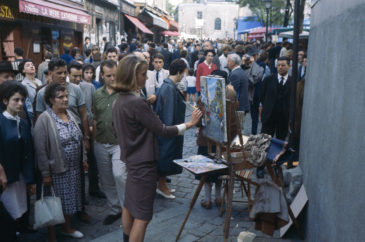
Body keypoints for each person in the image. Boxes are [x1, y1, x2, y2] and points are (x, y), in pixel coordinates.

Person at [111, 55, 202, 242]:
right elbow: (162, 130)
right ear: (132, 76)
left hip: (132, 160)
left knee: (130, 204)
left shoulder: (120, 100)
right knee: (143, 216)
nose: (146, 78)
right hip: (143, 163)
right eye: (143, 74)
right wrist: (189, 124)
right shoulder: (136, 102)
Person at [34, 82, 87, 241]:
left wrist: (83, 158)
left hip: (73, 169)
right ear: (51, 99)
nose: (65, 100)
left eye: (66, 96)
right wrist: (45, 174)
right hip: (56, 170)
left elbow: (79, 138)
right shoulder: (45, 118)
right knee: (54, 202)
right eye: (60, 97)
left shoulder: (69, 114)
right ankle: (52, 236)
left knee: (69, 200)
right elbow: (41, 149)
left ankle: (67, 227)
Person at [93, 60, 127, 225]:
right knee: (106, 179)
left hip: (119, 142)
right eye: (108, 76)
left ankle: (127, 208)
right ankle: (115, 209)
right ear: (102, 76)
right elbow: (95, 117)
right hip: (100, 141)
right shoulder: (97, 94)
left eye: (115, 75)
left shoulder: (124, 93)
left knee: (119, 174)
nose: (112, 78)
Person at [0, 81, 35, 231]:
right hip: (5, 178)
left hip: (20, 176)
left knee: (19, 208)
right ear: (5, 100)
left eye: (22, 100)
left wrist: (30, 177)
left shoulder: (23, 123)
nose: (20, 103)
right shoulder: (1, 121)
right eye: (16, 100)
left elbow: (29, 151)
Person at [154, 59, 188, 199]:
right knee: (165, 158)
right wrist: (172, 130)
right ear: (179, 73)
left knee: (167, 157)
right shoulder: (169, 87)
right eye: (183, 73)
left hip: (170, 129)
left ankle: (163, 185)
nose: (184, 76)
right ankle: (161, 187)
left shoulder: (170, 85)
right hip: (168, 131)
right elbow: (168, 114)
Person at [261, 56, 293, 140]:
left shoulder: (293, 82)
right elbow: (262, 96)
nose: (280, 67)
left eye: (283, 65)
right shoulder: (268, 79)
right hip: (269, 116)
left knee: (281, 142)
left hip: (284, 118)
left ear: (289, 66)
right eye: (278, 65)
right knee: (264, 141)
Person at [227, 53, 250, 130]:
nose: (227, 63)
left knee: (236, 131)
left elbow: (232, 93)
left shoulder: (235, 74)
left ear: (233, 62)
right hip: (242, 106)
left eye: (229, 61)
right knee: (238, 129)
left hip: (238, 107)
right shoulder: (240, 71)